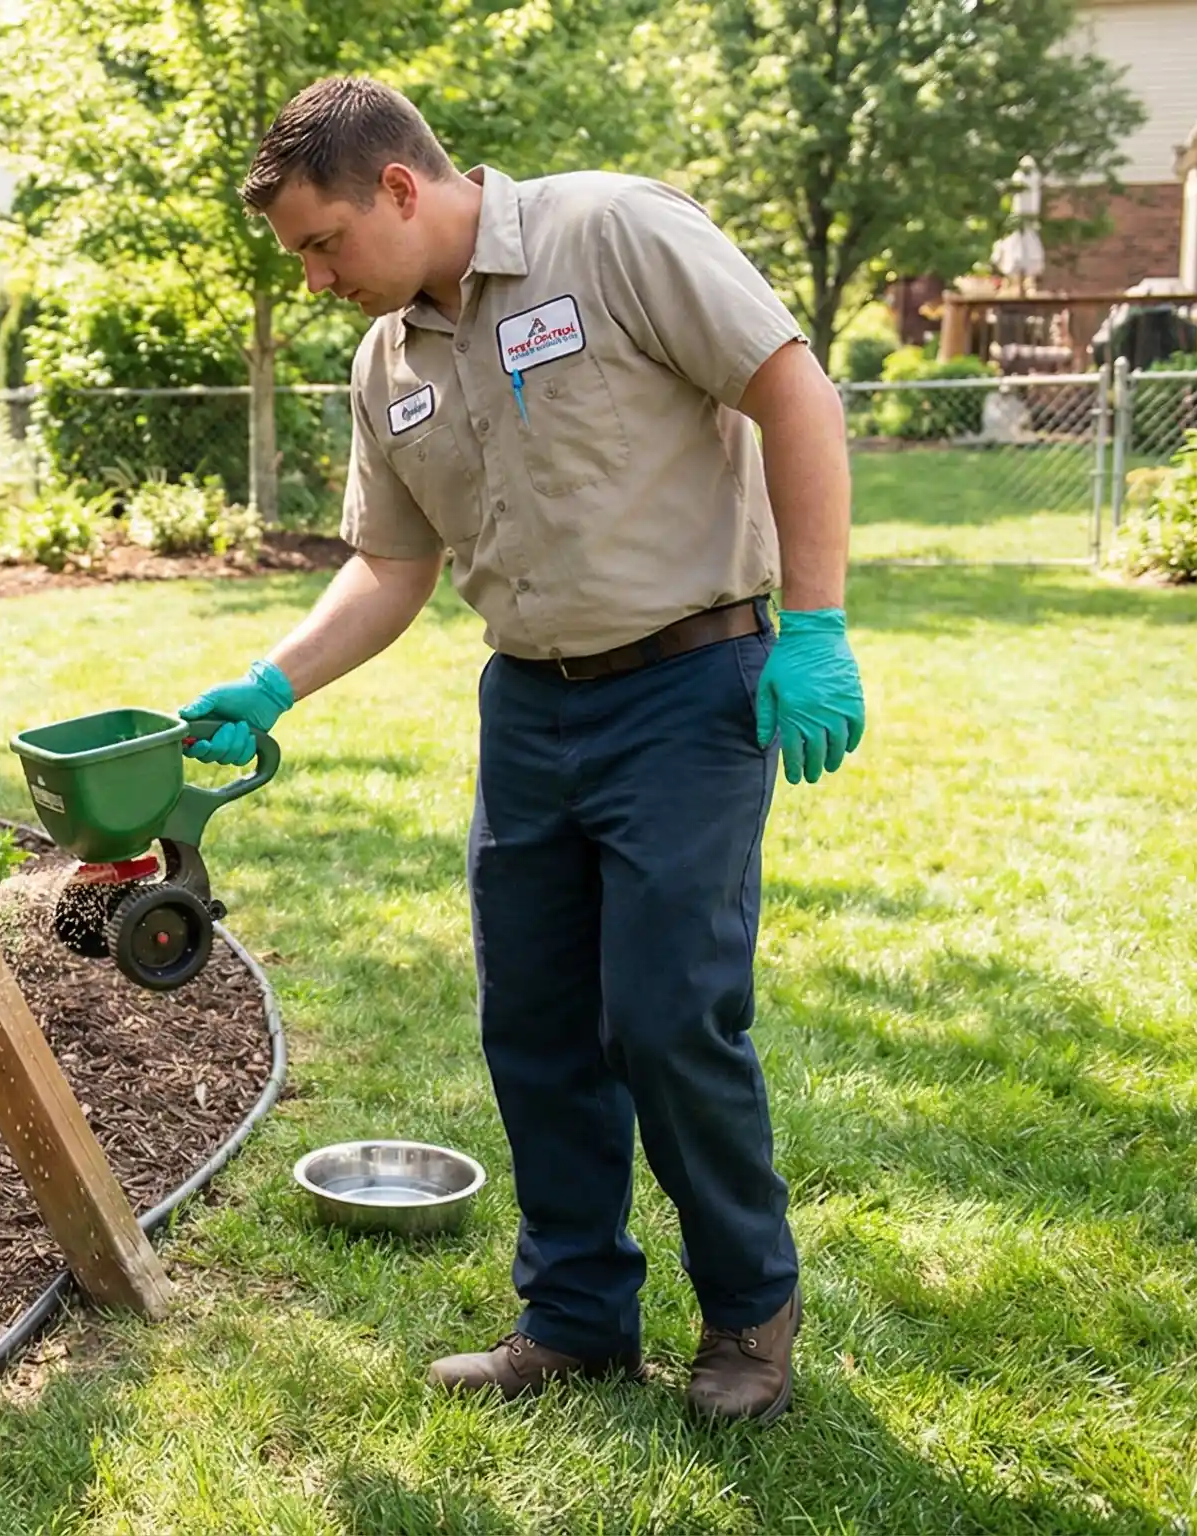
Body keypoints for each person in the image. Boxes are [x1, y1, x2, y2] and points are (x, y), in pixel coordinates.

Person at [181, 77, 867, 1423]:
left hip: (688, 684)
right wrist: (273, 685)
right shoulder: (390, 362)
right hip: (532, 709)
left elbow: (793, 391)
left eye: (323, 243)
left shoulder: (612, 235)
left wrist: (819, 624)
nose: (317, 278)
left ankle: (749, 1312)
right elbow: (391, 567)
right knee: (535, 1022)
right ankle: (575, 1321)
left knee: (669, 1017)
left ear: (398, 186)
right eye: (299, 259)